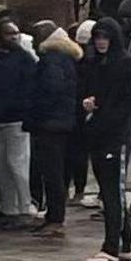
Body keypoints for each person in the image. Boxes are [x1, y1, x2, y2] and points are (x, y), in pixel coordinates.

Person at [75, 16, 131, 261]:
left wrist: (98, 108)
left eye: (105, 37)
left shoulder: (126, 64)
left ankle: (112, 245)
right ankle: (124, 241)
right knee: (109, 189)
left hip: (115, 135)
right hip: (98, 132)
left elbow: (125, 103)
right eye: (98, 37)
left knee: (113, 191)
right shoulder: (96, 63)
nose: (101, 42)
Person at [0, 17, 38, 223]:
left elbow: (30, 88)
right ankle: (8, 207)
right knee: (0, 165)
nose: (13, 37)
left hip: (16, 119)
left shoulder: (24, 59)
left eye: (16, 33)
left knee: (18, 163)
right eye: (8, 33)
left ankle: (24, 207)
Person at [28, 24, 81, 233]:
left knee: (52, 171)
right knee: (56, 171)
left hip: (51, 123)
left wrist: (39, 112)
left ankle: (55, 217)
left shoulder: (52, 61)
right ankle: (54, 215)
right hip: (61, 121)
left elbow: (50, 90)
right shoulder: (66, 58)